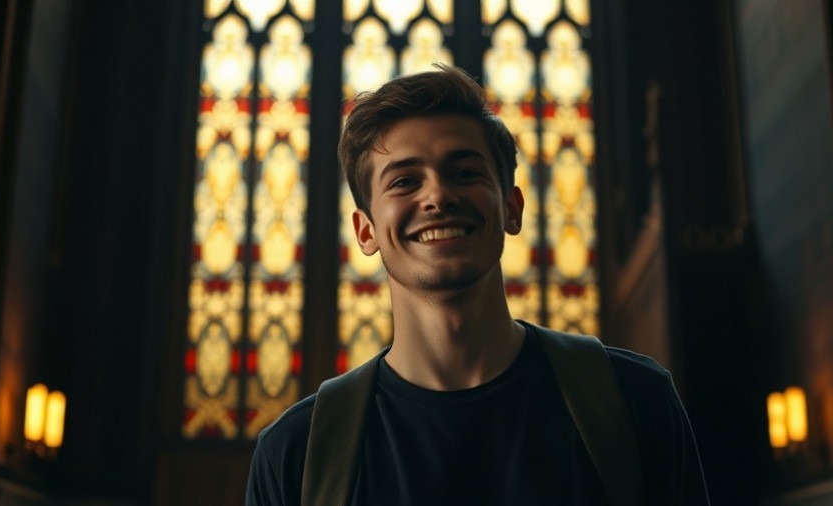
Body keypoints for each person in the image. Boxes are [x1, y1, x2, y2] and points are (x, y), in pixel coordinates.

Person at [246, 65, 710, 505]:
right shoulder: (296, 454)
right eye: (405, 181)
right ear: (366, 231)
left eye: (464, 173)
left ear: (512, 207)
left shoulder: (635, 402)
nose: (437, 196)